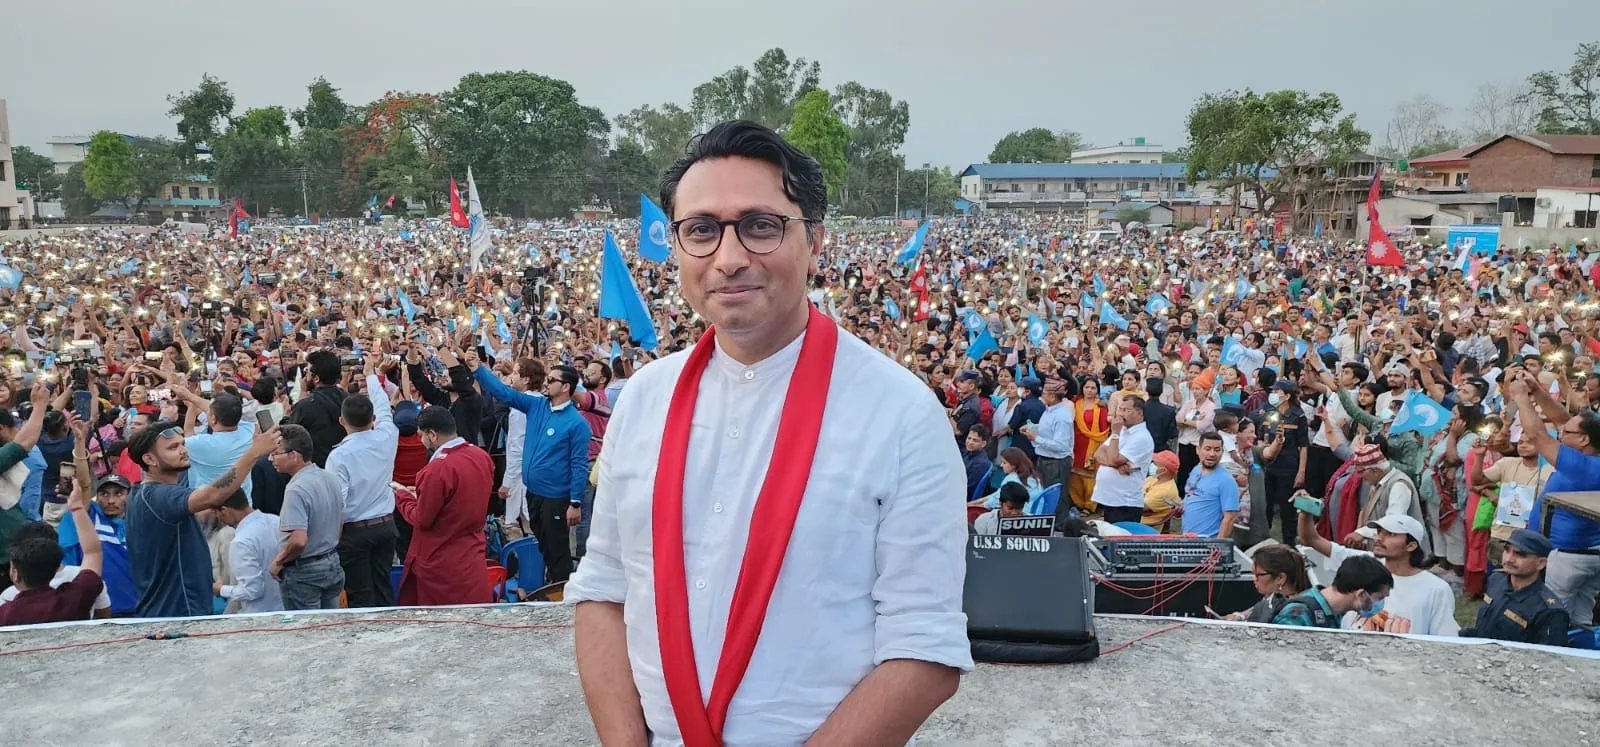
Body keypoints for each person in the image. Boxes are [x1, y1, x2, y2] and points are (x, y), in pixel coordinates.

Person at [568, 121, 969, 746]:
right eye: (701, 230)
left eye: (760, 226)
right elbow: (605, 589)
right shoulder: (645, 398)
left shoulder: (901, 414)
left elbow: (925, 648)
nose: (728, 259)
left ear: (815, 240)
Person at [124, 419, 276, 617]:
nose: (183, 450)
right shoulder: (159, 495)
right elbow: (212, 495)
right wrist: (253, 453)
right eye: (173, 447)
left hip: (169, 610)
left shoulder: (146, 493)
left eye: (182, 444)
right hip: (178, 612)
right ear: (150, 459)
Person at [471, 358, 590, 583]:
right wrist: (479, 371)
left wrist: (575, 502)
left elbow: (579, 465)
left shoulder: (577, 423)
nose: (546, 383)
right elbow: (505, 393)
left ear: (566, 387)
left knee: (557, 549)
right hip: (533, 492)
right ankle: (550, 583)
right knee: (543, 543)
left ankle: (561, 589)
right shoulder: (537, 406)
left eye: (552, 380)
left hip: (555, 498)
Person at [1298, 509, 1459, 635]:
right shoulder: (1361, 564)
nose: (1379, 538)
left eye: (1391, 534)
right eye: (1379, 532)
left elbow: (1444, 639)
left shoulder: (1436, 589)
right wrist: (1305, 511)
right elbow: (1311, 539)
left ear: (1411, 546)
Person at [395, 405, 493, 606]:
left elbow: (422, 519)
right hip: (472, 557)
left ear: (432, 435)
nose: (421, 441)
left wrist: (403, 496)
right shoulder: (480, 456)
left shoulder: (438, 469)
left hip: (441, 564)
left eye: (421, 436)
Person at [327, 358, 399, 608]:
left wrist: (332, 541)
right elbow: (383, 406)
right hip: (385, 526)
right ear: (372, 419)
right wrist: (370, 375)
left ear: (342, 421)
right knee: (383, 586)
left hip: (355, 532)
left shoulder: (338, 456)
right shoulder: (387, 435)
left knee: (360, 594)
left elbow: (338, 504)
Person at [0, 480, 104, 625]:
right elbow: (92, 552)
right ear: (55, 569)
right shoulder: (73, 599)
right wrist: (76, 506)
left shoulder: (4, 615)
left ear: (15, 574)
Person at [265, 424, 346, 610]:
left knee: (305, 626)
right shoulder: (330, 478)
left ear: (294, 455)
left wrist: (278, 562)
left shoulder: (296, 489)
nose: (270, 459)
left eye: (275, 453)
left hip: (304, 572)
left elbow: (299, 540)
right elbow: (340, 521)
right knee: (329, 624)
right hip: (332, 562)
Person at [1460, 528, 1568, 646]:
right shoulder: (1496, 580)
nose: (1509, 559)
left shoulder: (1549, 611)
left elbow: (1548, 654)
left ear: (1540, 563)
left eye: (1520, 554)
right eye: (1507, 550)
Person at [1272, 554, 1394, 629]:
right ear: (1361, 594)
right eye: (1380, 598)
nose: (1381, 605)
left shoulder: (1338, 613)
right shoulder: (1297, 615)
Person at [1091, 391, 1155, 525]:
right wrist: (1116, 465)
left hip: (1125, 502)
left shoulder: (1141, 437)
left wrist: (1115, 434)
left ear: (1139, 413)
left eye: (1126, 410)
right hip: (1110, 498)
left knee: (1121, 536)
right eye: (1120, 409)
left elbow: (1114, 458)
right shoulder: (1123, 430)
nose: (1120, 414)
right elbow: (1098, 454)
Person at [214, 489, 283, 614]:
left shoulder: (241, 541)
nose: (218, 518)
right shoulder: (277, 521)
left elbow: (252, 590)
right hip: (287, 608)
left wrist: (221, 590)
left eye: (217, 514)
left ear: (225, 510)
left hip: (260, 614)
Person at [282, 350, 348, 466]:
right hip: (346, 462)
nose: (305, 377)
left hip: (318, 466)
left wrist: (286, 415)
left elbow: (287, 435)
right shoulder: (348, 399)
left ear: (316, 378)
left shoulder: (306, 406)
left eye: (307, 371)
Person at [1224, 544, 1313, 622]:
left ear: (1280, 578)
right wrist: (1240, 616)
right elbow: (1258, 607)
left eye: (1258, 574)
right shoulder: (1275, 597)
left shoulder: (1292, 616)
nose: (1254, 578)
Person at [1183, 432, 1241, 538]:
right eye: (1208, 449)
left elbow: (1230, 518)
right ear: (1198, 450)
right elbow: (1190, 495)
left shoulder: (1226, 481)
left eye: (1217, 450)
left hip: (1209, 543)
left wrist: (1217, 545)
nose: (1212, 454)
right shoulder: (1195, 471)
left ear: (1222, 452)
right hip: (1188, 539)